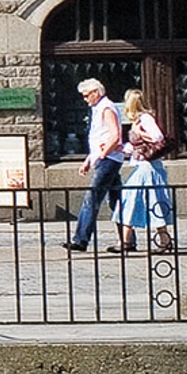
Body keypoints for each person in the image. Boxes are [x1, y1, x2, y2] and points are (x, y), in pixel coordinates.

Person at [67, 76, 128, 251]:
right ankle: (127, 240)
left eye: (86, 95)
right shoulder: (99, 108)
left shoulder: (107, 107)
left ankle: (81, 239)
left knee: (91, 198)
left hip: (108, 160)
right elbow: (97, 137)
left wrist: (102, 153)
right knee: (116, 201)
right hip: (105, 159)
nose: (85, 99)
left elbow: (115, 134)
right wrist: (89, 159)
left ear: (96, 92)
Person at [117, 98, 173, 253]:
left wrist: (140, 132)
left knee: (135, 200)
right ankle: (164, 240)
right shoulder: (139, 121)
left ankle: (126, 242)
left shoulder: (145, 119)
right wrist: (120, 148)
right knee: (137, 201)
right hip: (142, 165)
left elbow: (158, 138)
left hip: (148, 167)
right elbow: (137, 147)